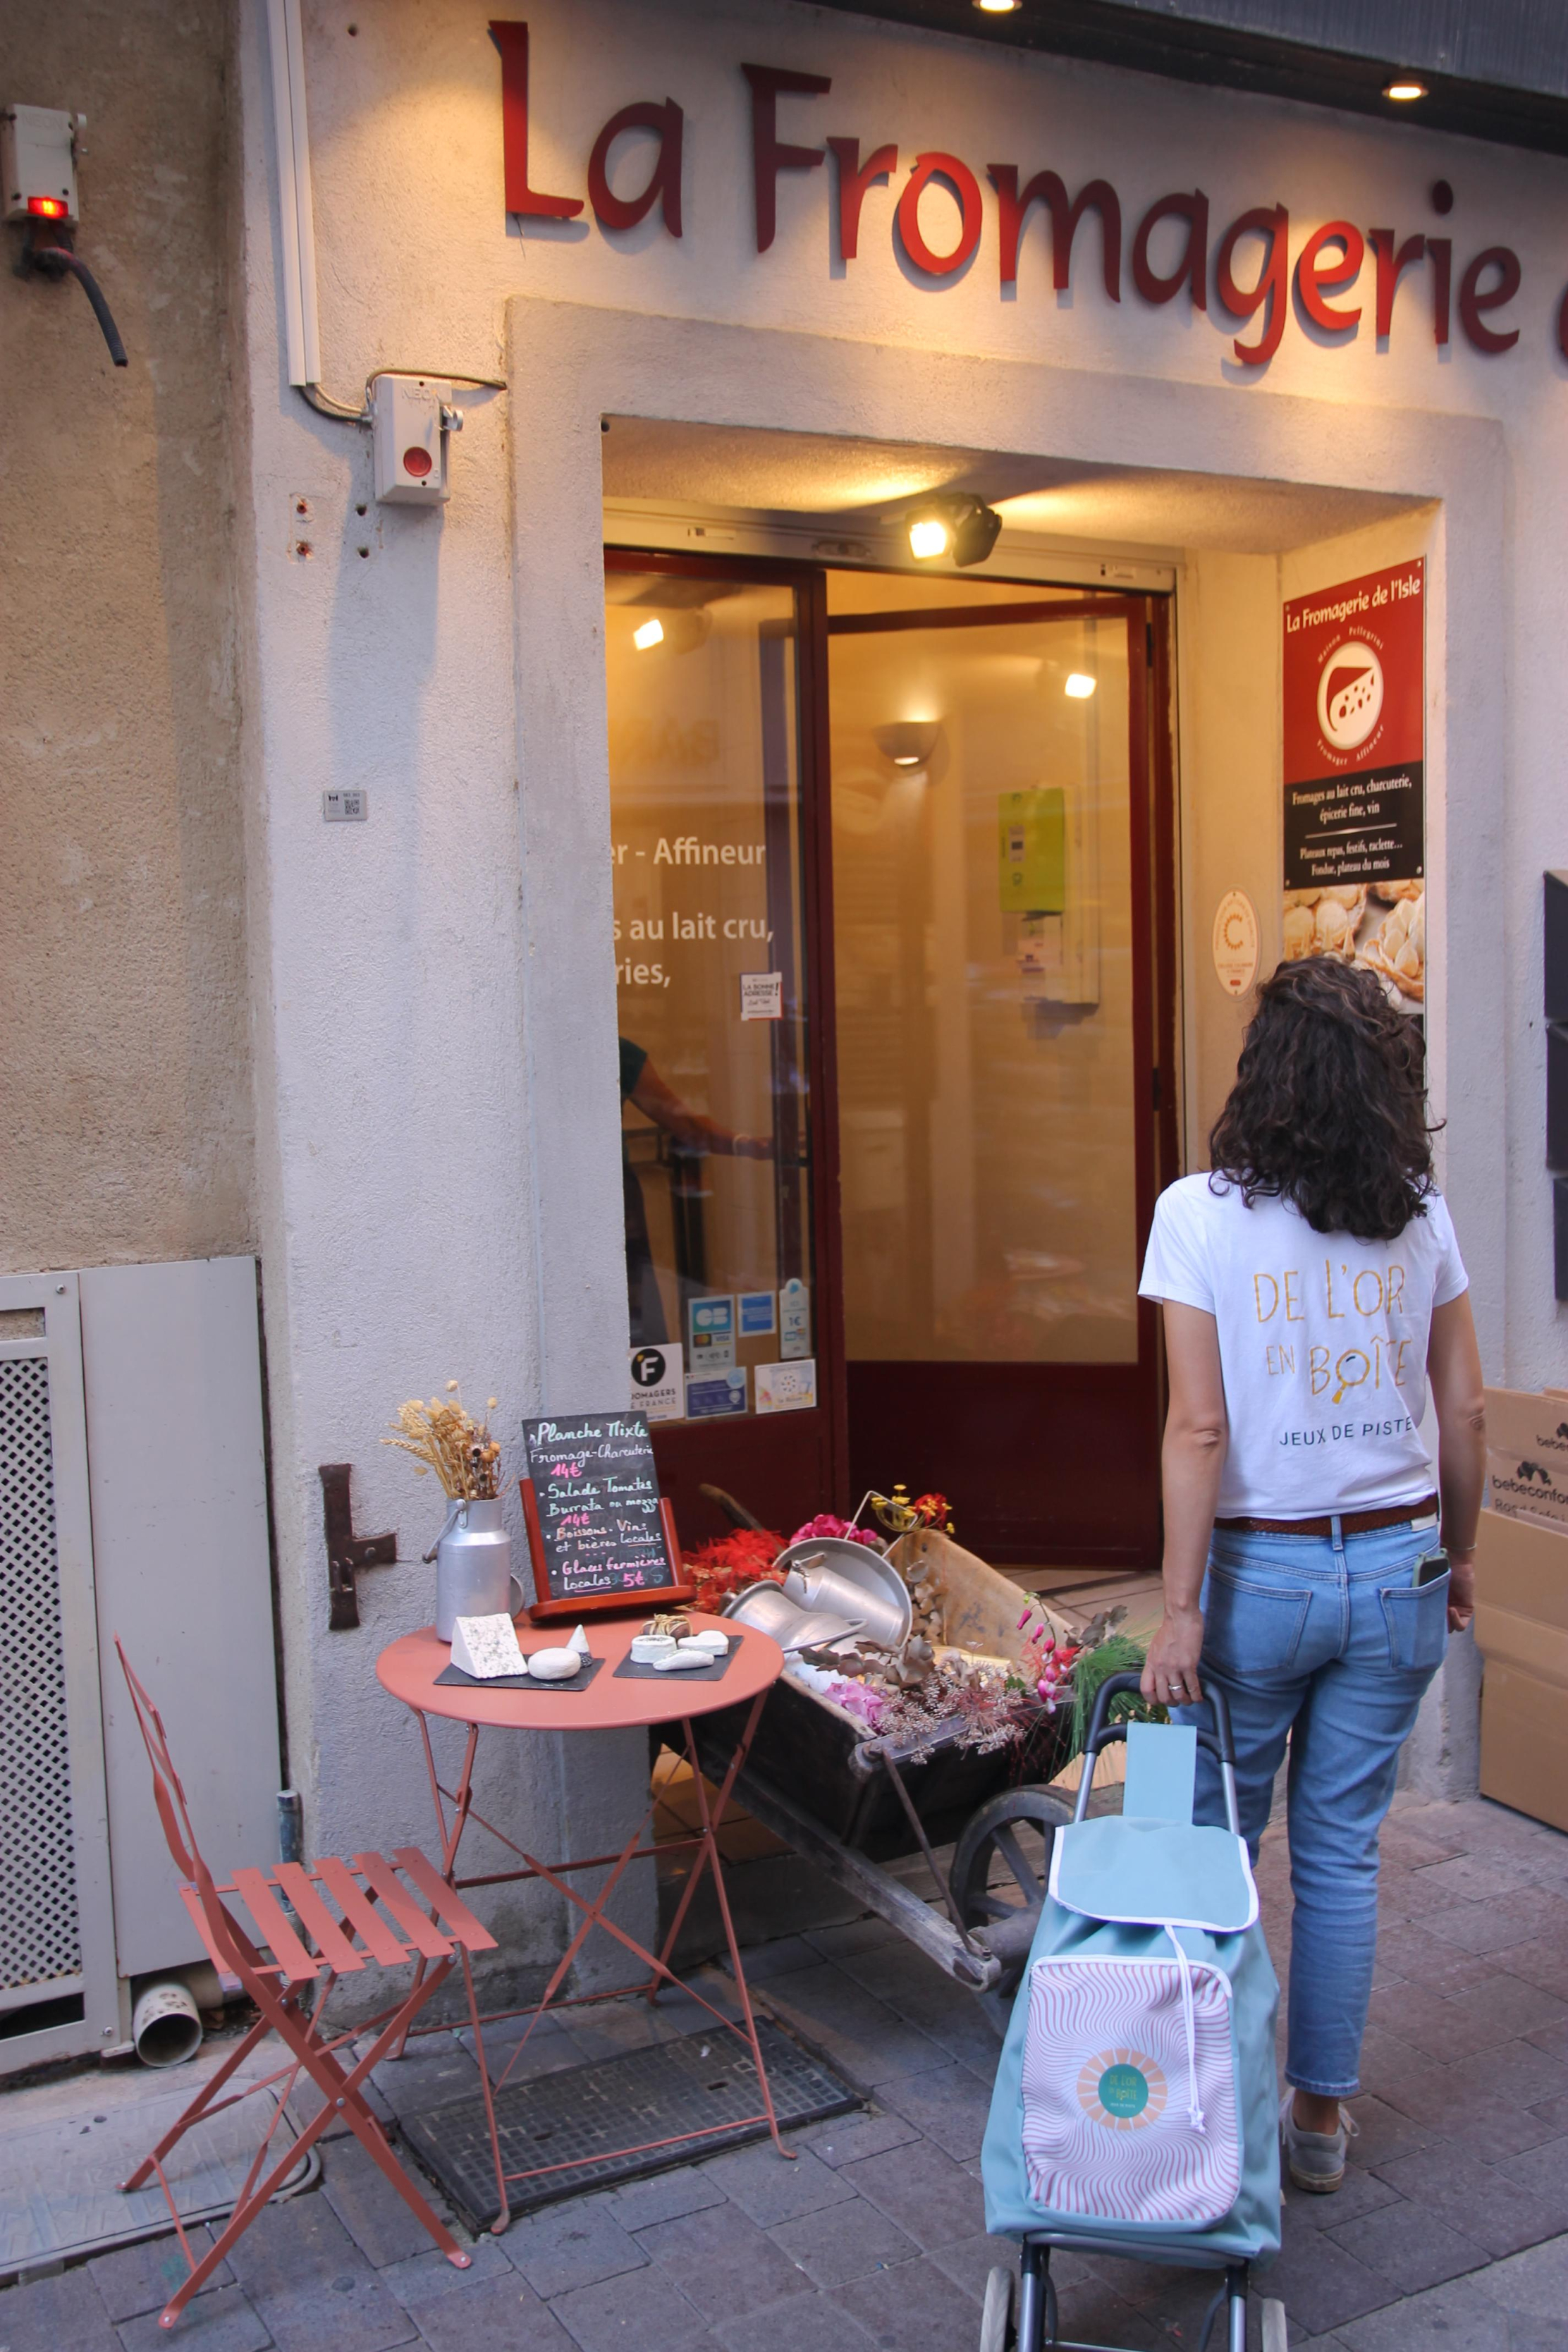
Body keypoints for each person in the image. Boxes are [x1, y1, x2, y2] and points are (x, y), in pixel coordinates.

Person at [1136, 958, 1486, 2195]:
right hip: (1396, 1561)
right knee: (1339, 1852)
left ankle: (1207, 2107)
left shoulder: (1196, 1213)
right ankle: (1319, 2122)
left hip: (1255, 1579)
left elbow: (1194, 1428)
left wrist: (1176, 1611)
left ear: (1262, 1072)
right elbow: (1461, 1409)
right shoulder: (1415, 1208)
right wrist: (1455, 1560)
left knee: (1214, 1845)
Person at [619, 1038, 774, 1344]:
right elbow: (686, 1125)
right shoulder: (616, 1050)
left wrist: (747, 1146)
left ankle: (648, 1381)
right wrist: (748, 1145)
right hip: (610, 1195)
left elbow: (687, 1125)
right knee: (630, 1304)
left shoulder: (617, 1052)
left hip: (589, 1197)